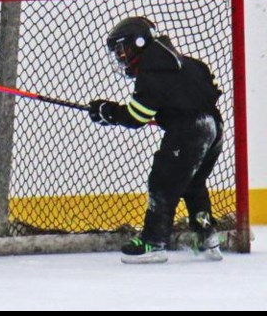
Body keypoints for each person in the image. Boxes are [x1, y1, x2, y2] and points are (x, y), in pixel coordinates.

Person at [89, 17, 224, 265]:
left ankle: (154, 242)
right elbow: (202, 92)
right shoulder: (186, 63)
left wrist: (109, 112)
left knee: (162, 182)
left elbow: (136, 117)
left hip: (190, 131)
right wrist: (171, 111)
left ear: (139, 44)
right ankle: (207, 236)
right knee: (193, 184)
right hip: (214, 128)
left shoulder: (154, 69)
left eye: (123, 49)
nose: (121, 57)